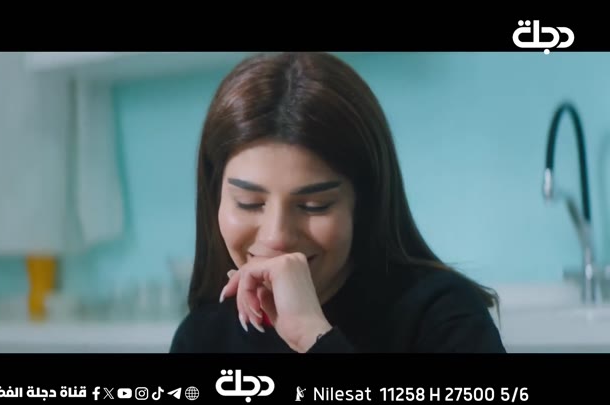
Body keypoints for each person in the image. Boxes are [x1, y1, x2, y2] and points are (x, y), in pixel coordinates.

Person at [169, 52, 506, 353]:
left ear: (363, 204)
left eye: (314, 206)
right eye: (248, 203)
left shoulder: (443, 317)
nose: (276, 237)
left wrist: (312, 335)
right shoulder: (202, 336)